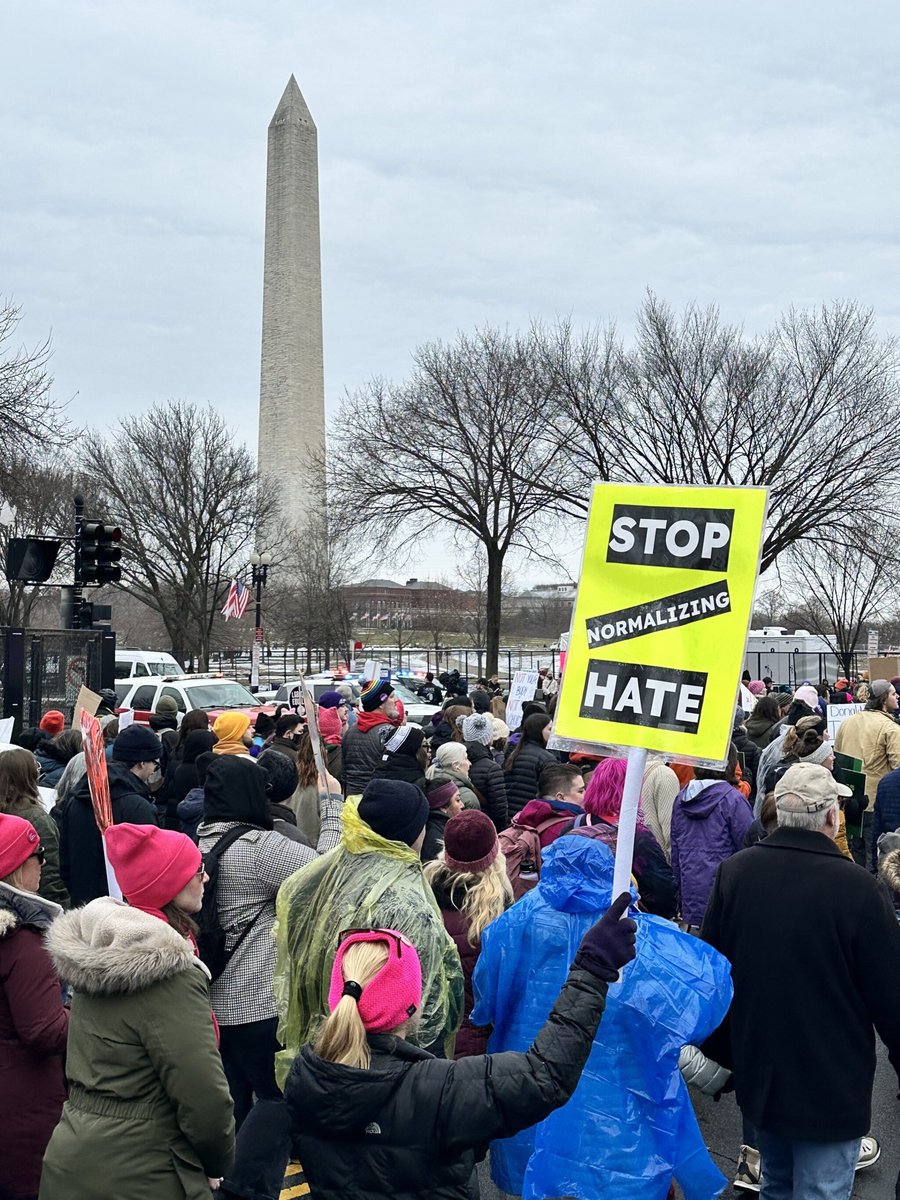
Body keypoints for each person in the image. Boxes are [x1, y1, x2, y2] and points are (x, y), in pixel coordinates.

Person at [282, 895, 636, 1200]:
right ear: (412, 1006)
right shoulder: (438, 1091)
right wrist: (590, 971)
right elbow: (544, 1075)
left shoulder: (305, 1076)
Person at [473, 835, 732, 1199]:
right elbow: (700, 991)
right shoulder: (629, 930)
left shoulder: (516, 920)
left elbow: (485, 999)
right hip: (616, 1092)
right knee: (609, 1175)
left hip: (528, 1072)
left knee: (533, 1167)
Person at [701, 763, 900, 1199]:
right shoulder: (858, 889)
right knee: (821, 1191)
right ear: (831, 816)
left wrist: (720, 1052)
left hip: (761, 1071)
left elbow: (712, 970)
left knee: (776, 1183)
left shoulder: (735, 872)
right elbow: (891, 995)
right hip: (830, 1080)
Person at [40, 821, 235, 1200]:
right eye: (198, 869)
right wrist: (216, 1162)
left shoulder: (99, 951)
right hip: (145, 1170)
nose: (206, 877)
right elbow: (203, 1097)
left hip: (73, 1158)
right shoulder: (170, 975)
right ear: (170, 884)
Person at [273, 778, 464, 1082]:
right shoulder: (409, 903)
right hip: (385, 1061)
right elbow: (423, 1003)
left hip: (323, 1045)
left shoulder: (329, 873)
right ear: (413, 832)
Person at [197, 756, 342, 1129]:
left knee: (234, 1107)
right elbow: (324, 872)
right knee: (277, 1102)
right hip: (257, 1005)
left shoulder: (198, 841)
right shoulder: (258, 848)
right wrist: (332, 808)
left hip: (211, 1004)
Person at [0, 814, 68, 1200]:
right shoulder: (23, 941)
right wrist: (86, 1015)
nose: (44, 862)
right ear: (15, 867)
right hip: (22, 1106)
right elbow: (43, 1029)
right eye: (37, 854)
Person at [423, 809, 513, 1057]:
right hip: (479, 1044)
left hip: (428, 1038)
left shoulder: (423, 899)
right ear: (496, 857)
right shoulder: (500, 918)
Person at [55, 724, 159, 907]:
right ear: (142, 763)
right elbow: (150, 868)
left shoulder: (76, 798)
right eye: (155, 765)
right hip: (123, 911)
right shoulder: (139, 807)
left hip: (82, 905)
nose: (154, 771)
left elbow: (64, 862)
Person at [571, 758, 677, 918]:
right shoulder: (637, 835)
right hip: (624, 921)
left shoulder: (574, 824)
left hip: (578, 917)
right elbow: (663, 891)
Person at [670, 744, 753, 929]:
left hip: (691, 896)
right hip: (725, 897)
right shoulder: (733, 800)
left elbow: (676, 851)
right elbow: (749, 851)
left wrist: (680, 896)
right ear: (731, 763)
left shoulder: (681, 798)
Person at [835, 678, 900, 861]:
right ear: (883, 699)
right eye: (893, 694)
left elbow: (837, 758)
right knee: (875, 857)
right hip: (874, 801)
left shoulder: (847, 722)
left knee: (854, 854)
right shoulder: (890, 728)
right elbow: (898, 769)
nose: (897, 697)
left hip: (850, 800)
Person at [0, 748, 69, 907]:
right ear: (28, 777)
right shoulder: (37, 819)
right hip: (29, 904)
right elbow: (49, 873)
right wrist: (61, 909)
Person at [342, 676, 398, 795]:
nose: (395, 701)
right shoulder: (388, 732)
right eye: (391, 697)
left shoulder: (350, 731)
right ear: (380, 703)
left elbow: (344, 771)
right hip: (377, 797)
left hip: (351, 799)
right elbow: (393, 771)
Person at [503, 712, 557, 817]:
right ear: (538, 731)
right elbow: (551, 793)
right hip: (531, 815)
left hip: (511, 814)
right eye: (550, 729)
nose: (552, 733)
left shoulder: (515, 753)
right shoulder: (547, 759)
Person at [461, 712, 508, 829]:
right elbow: (499, 809)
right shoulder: (492, 768)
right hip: (485, 826)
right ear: (487, 737)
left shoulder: (456, 759)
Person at [372, 722, 428, 791]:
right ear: (411, 749)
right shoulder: (415, 780)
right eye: (425, 746)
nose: (430, 750)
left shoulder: (380, 771)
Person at [421, 776, 464, 861]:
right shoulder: (437, 839)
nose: (462, 805)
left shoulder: (442, 827)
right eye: (458, 800)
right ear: (443, 807)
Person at [432, 742, 481, 809]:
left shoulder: (430, 782)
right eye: (466, 758)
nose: (470, 763)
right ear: (456, 766)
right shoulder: (467, 797)